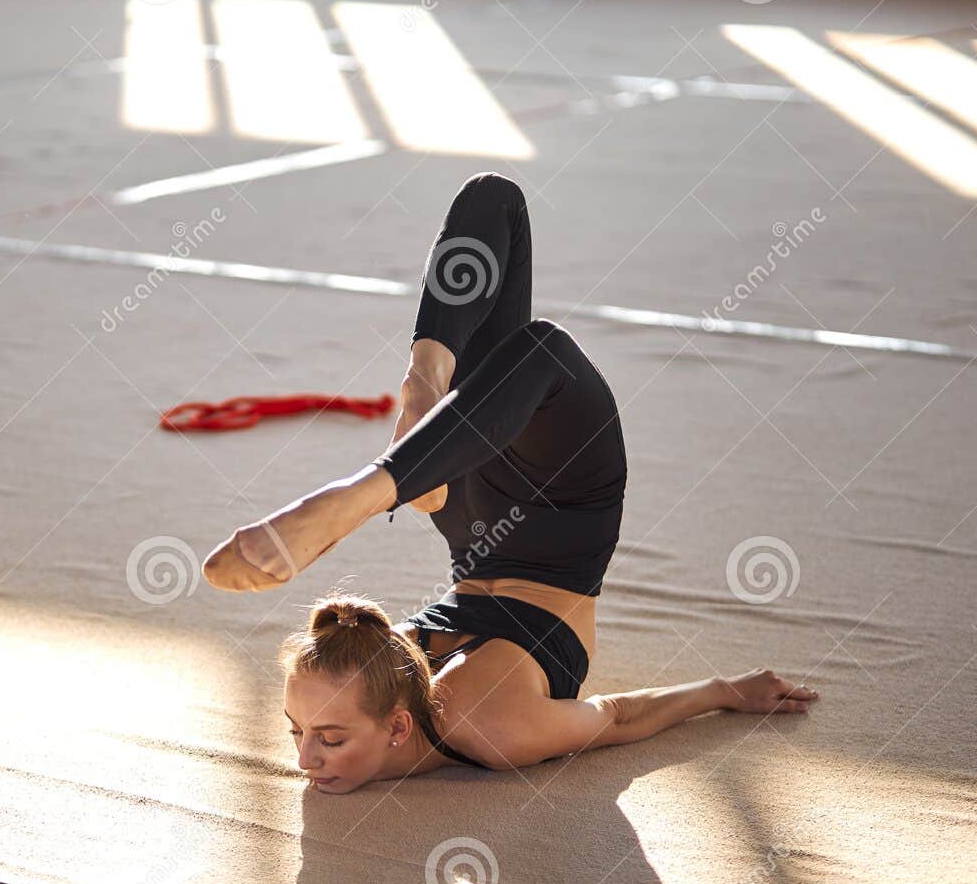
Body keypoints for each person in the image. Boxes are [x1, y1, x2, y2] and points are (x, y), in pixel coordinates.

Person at [204, 173, 818, 790]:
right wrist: (724, 690)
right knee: (534, 351)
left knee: (492, 203)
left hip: (470, 511)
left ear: (396, 728)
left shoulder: (465, 713)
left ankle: (401, 435)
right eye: (300, 733)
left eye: (325, 737)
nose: (304, 760)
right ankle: (417, 407)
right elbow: (617, 714)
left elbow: (619, 717)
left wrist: (719, 693)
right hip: (550, 504)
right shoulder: (453, 713)